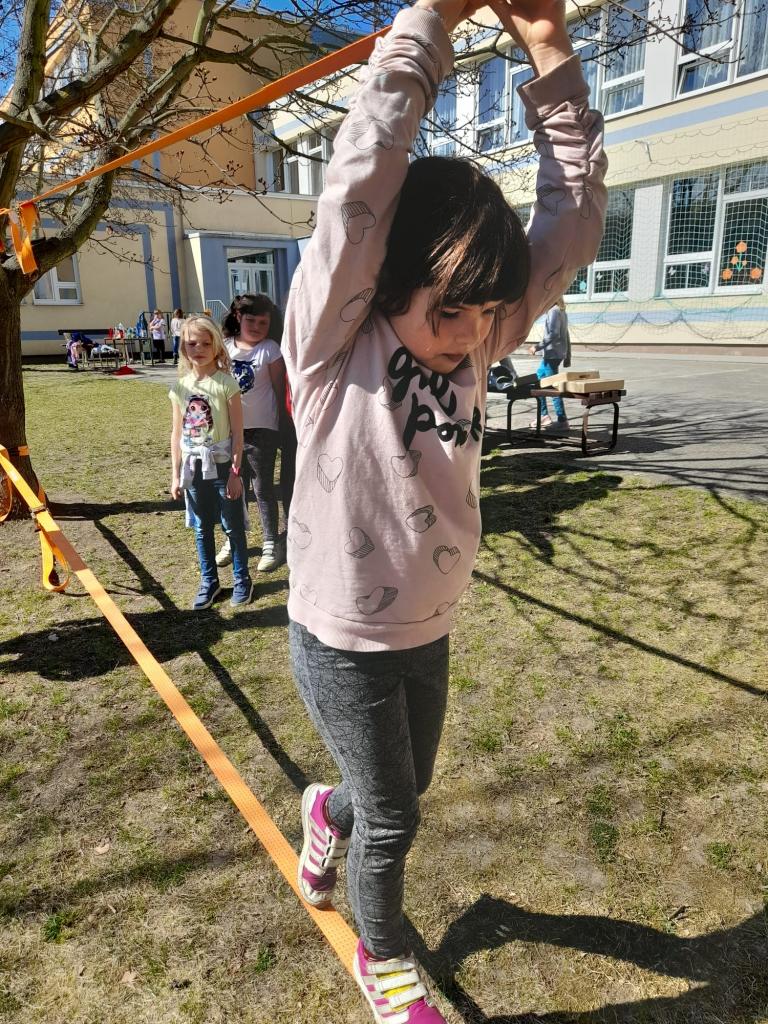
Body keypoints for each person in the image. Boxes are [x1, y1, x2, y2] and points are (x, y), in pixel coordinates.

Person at [282, 0, 606, 1019]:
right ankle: (383, 958)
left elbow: (572, 225)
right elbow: (362, 180)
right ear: (390, 278)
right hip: (342, 639)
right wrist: (432, 19)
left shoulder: (477, 342)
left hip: (429, 625)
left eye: (488, 310)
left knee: (398, 789)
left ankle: (324, 811)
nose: (470, 333)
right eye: (450, 308)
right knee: (396, 818)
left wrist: (548, 49)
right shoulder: (333, 344)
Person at [169, 316, 253, 609]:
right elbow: (176, 433)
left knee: (232, 525)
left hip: (222, 466)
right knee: (202, 527)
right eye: (192, 343)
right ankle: (209, 581)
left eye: (206, 343)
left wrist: (235, 472)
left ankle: (242, 579)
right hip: (193, 469)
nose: (199, 349)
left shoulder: (227, 384)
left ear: (216, 347)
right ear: (183, 347)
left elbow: (238, 434)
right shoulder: (180, 387)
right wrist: (175, 474)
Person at [216, 294, 289, 573]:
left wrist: (282, 424)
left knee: (262, 487)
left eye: (263, 322)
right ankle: (233, 539)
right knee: (234, 487)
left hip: (262, 430)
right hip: (229, 431)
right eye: (251, 321)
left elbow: (280, 389)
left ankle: (271, 542)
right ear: (238, 317)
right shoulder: (224, 348)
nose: (257, 327)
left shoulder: (270, 349)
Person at [528, 295, 571, 432]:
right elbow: (566, 334)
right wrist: (567, 355)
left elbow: (553, 334)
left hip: (552, 354)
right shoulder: (561, 311)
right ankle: (544, 415)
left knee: (552, 387)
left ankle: (562, 419)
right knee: (539, 381)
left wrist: (537, 347)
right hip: (556, 354)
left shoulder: (553, 311)